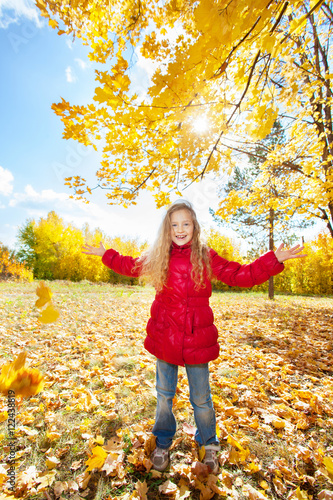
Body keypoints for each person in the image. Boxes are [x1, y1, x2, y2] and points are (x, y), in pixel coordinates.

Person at [82, 200, 306, 474]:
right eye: (174, 224)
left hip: (196, 339)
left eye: (185, 223)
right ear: (167, 229)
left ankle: (208, 443)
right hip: (166, 337)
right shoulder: (159, 255)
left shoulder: (205, 255)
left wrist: (274, 260)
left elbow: (239, 274)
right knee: (164, 395)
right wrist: (107, 254)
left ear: (194, 226)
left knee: (201, 398)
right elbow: (131, 265)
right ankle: (163, 441)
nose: (180, 229)